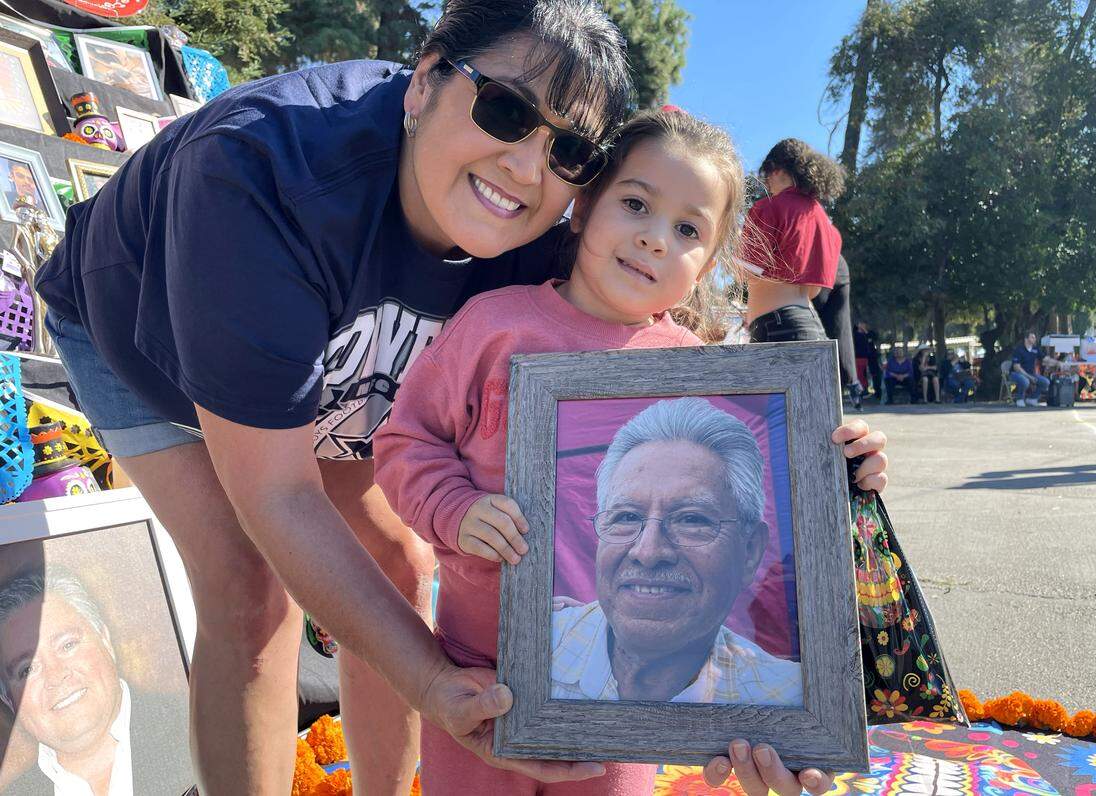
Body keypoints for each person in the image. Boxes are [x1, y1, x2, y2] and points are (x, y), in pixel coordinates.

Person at [33, 2, 642, 791]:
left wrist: (829, 463)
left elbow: (653, 389)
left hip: (323, 363)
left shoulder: (549, 234)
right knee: (250, 593)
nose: (528, 170)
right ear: (424, 82)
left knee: (394, 560)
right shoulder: (261, 174)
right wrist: (429, 681)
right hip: (139, 334)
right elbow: (280, 495)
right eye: (505, 110)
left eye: (570, 151)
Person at [374, 109, 888, 795]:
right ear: (583, 208)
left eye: (686, 229)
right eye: (636, 204)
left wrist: (842, 469)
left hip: (629, 693)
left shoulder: (707, 372)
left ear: (710, 262)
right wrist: (453, 508)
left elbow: (775, 504)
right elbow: (406, 440)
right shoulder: (495, 326)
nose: (653, 238)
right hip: (476, 672)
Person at [550, 398, 801, 706]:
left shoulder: (790, 698)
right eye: (626, 517)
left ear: (749, 551)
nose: (649, 551)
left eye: (691, 519)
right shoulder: (532, 645)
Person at [0, 570, 193, 795]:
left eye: (67, 645)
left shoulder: (204, 731)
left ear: (105, 639)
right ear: (7, 698)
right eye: (28, 669)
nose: (55, 675)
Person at [738, 139, 844, 344]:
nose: (767, 184)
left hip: (775, 325)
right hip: (811, 325)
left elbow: (746, 272)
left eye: (766, 176)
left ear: (776, 170)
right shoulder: (825, 223)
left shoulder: (768, 208)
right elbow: (814, 291)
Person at [812, 254, 862, 409]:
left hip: (819, 266)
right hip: (832, 262)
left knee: (837, 332)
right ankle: (852, 383)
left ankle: (851, 384)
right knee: (840, 331)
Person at [1010, 332, 1049, 407]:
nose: (1034, 339)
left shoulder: (1035, 349)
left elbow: (1045, 359)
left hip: (1030, 373)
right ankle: (1020, 399)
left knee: (1045, 382)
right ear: (1026, 339)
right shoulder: (1019, 350)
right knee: (1025, 381)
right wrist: (1029, 377)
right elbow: (1016, 368)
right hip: (1016, 373)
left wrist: (1058, 363)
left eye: (1034, 337)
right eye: (1032, 337)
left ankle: (1032, 399)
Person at [853, 321, 881, 398]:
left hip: (872, 357)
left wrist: (866, 332)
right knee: (861, 375)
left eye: (864, 324)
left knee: (875, 374)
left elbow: (875, 338)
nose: (862, 325)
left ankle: (877, 392)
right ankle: (863, 391)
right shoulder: (854, 334)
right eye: (861, 324)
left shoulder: (870, 333)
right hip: (860, 357)